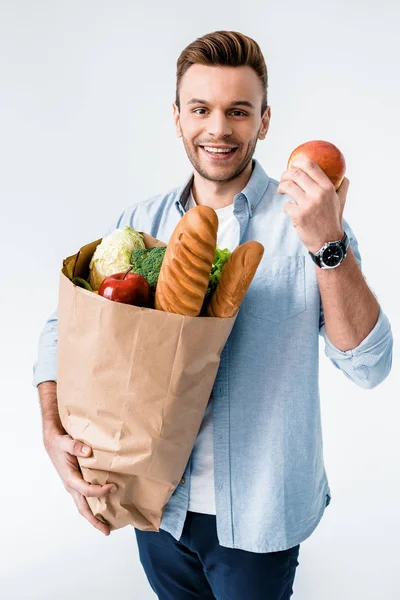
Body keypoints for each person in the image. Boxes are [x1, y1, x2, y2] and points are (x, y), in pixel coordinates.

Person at [33, 30, 393, 600]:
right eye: (201, 109)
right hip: (156, 508)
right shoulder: (141, 219)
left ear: (264, 122)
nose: (218, 128)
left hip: (257, 517)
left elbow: (369, 365)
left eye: (238, 111)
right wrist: (52, 430)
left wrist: (329, 246)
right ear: (177, 118)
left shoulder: (311, 223)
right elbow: (66, 329)